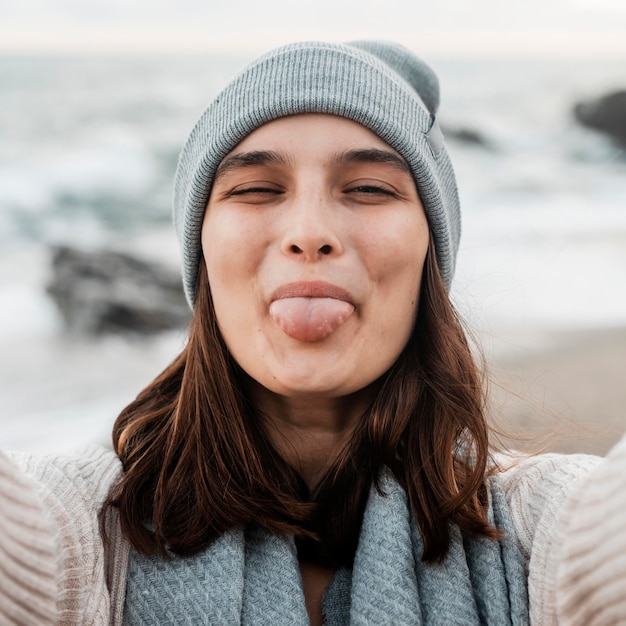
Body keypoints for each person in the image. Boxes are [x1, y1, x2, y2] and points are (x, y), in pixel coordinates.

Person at [1, 40, 625, 626]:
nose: (309, 230)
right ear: (203, 254)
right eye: (254, 189)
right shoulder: (85, 524)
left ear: (429, 254)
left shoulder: (535, 523)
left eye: (369, 189)